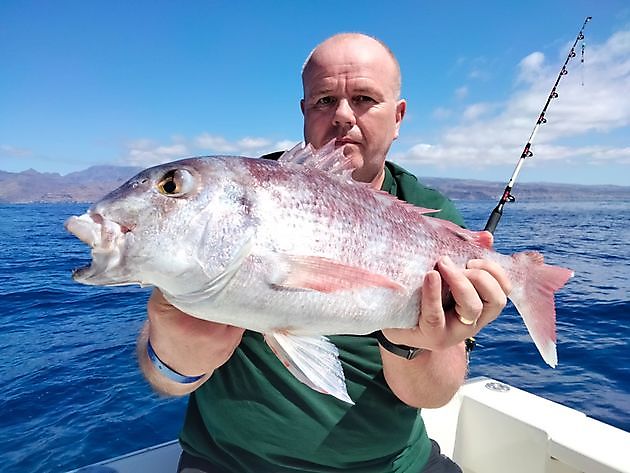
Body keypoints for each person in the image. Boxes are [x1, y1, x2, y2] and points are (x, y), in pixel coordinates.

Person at [137, 33, 511, 472]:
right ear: (304, 111)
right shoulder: (239, 195)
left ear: (399, 115)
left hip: (388, 465)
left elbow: (433, 395)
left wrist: (411, 344)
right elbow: (164, 377)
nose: (343, 117)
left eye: (366, 99)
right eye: (324, 100)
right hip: (231, 463)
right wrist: (176, 354)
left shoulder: (432, 216)